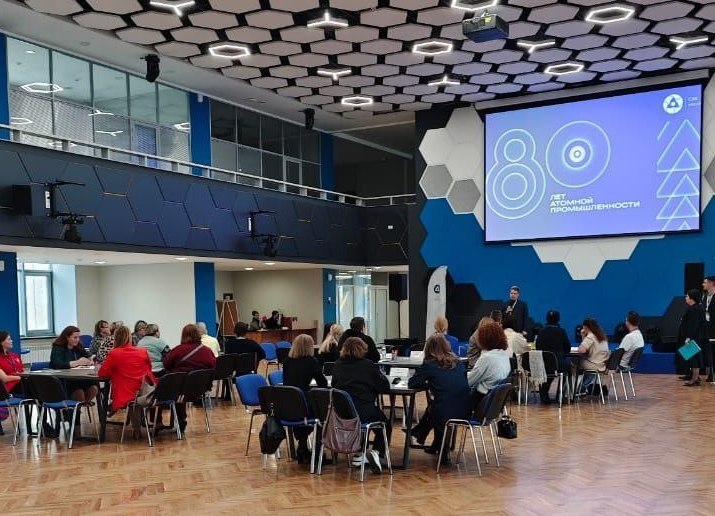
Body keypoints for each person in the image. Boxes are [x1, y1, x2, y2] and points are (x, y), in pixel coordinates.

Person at [332, 337, 391, 474]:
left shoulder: (338, 364)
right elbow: (384, 387)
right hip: (363, 410)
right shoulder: (367, 365)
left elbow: (334, 385)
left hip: (343, 413)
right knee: (385, 424)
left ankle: (362, 454)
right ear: (362, 349)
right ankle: (377, 452)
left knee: (370, 419)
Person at [408, 333, 471, 461]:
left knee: (436, 407)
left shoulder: (430, 364)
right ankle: (431, 441)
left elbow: (412, 383)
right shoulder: (458, 362)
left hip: (445, 411)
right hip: (466, 408)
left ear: (428, 348)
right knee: (435, 406)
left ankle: (427, 437)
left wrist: (427, 382)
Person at [98, 325, 156, 439]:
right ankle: (135, 427)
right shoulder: (142, 351)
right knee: (134, 397)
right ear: (129, 337)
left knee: (128, 397)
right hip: (143, 391)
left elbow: (102, 373)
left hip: (125, 392)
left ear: (116, 338)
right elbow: (149, 368)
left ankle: (111, 408)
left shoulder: (114, 353)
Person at [162, 324, 217, 432]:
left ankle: (180, 419)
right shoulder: (207, 351)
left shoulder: (178, 350)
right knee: (181, 390)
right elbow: (213, 367)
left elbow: (166, 365)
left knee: (177, 390)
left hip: (180, 389)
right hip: (201, 389)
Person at [282, 334, 327, 464]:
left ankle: (302, 444)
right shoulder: (311, 361)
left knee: (302, 413)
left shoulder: (287, 361)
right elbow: (323, 383)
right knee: (322, 414)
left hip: (288, 404)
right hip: (303, 402)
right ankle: (315, 451)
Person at [467, 321, 512, 406]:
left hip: (481, 399)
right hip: (493, 401)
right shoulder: (504, 355)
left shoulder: (486, 358)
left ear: (484, 338)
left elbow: (469, 381)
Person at [49, 326, 98, 402]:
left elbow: (87, 355)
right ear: (67, 337)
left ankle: (82, 404)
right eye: (75, 337)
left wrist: (91, 359)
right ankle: (79, 406)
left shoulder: (78, 346)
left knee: (94, 386)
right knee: (78, 390)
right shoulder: (58, 348)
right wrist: (78, 362)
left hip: (77, 377)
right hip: (64, 379)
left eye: (78, 337)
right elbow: (57, 364)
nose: (77, 340)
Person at [534, 310, 571, 403]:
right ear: (558, 319)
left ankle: (544, 395)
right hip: (559, 364)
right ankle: (560, 395)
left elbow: (537, 347)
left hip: (543, 364)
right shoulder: (562, 332)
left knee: (548, 372)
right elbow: (568, 348)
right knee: (568, 370)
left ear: (547, 318)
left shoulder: (541, 331)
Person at [679, 289, 708, 387]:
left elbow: (693, 325)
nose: (686, 298)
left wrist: (688, 337)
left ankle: (694, 379)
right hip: (695, 336)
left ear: (692, 298)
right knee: (691, 357)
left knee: (693, 358)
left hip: (695, 337)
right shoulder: (694, 308)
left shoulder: (695, 309)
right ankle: (694, 378)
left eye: (687, 296)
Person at [575, 318, 610, 393]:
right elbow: (587, 349)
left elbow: (581, 350)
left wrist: (583, 335)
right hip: (602, 365)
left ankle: (570, 390)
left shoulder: (591, 336)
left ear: (585, 327)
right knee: (585, 364)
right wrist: (584, 336)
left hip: (593, 365)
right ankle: (582, 388)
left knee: (573, 361)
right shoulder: (602, 336)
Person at [0, 331, 24, 436]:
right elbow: (4, 378)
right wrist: (19, 377)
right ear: (1, 342)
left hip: (20, 385)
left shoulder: (15, 356)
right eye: (9, 339)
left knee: (38, 390)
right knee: (36, 389)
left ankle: (42, 424)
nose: (12, 341)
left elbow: (22, 372)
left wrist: (21, 377)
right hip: (6, 388)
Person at [702, 276, 715, 382]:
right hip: (706, 329)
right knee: (708, 352)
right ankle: (709, 373)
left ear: (711, 283)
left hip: (714, 329)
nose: (703, 284)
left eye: (705, 282)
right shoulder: (704, 297)